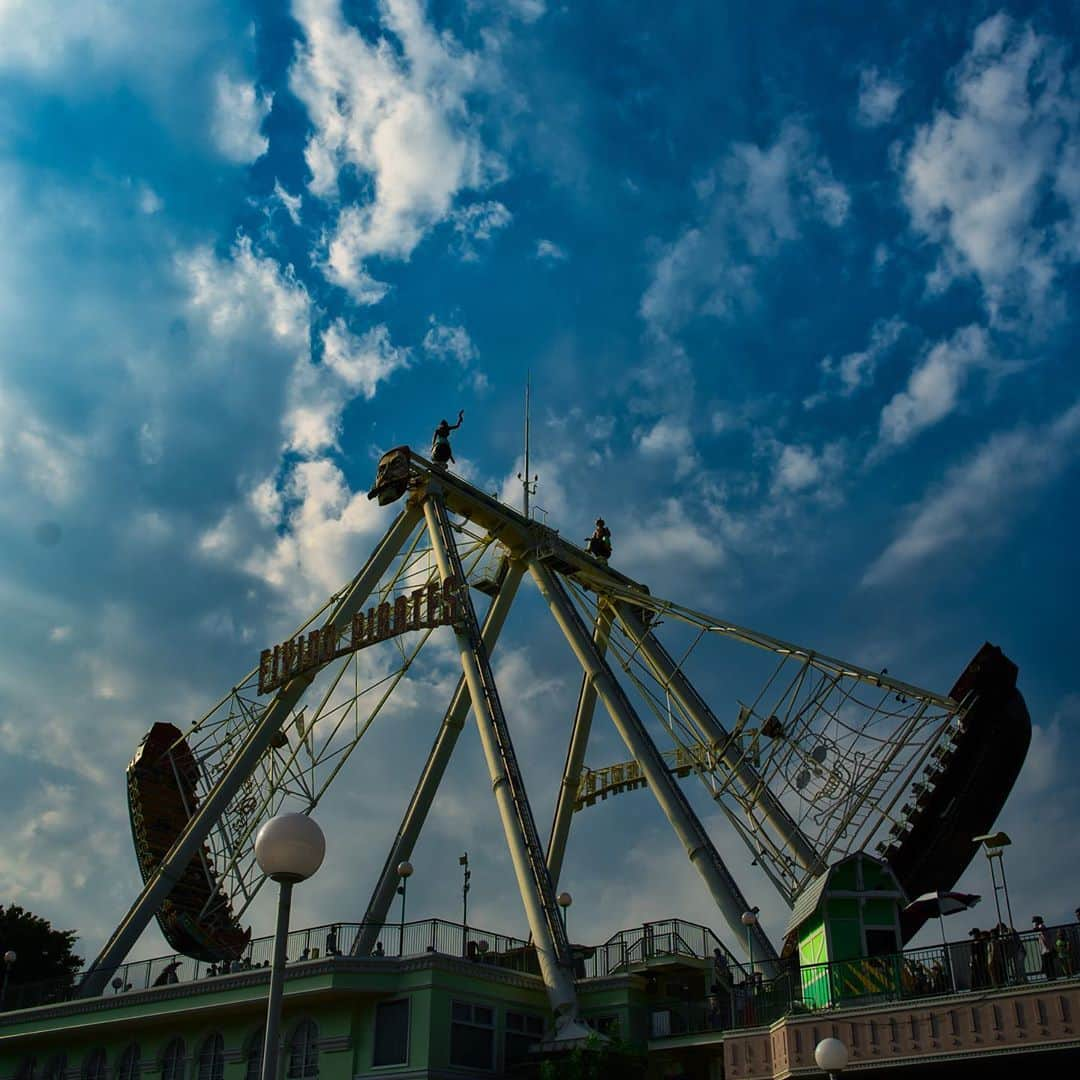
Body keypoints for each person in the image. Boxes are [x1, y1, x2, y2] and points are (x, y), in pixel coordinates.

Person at [1033, 916, 1056, 980]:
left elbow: (1036, 929)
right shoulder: (1041, 926)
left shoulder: (1041, 926)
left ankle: (1051, 977)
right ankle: (1050, 977)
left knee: (1048, 964)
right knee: (1047, 965)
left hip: (1047, 949)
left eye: (1034, 921)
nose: (1034, 923)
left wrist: (1035, 926)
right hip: (1044, 949)